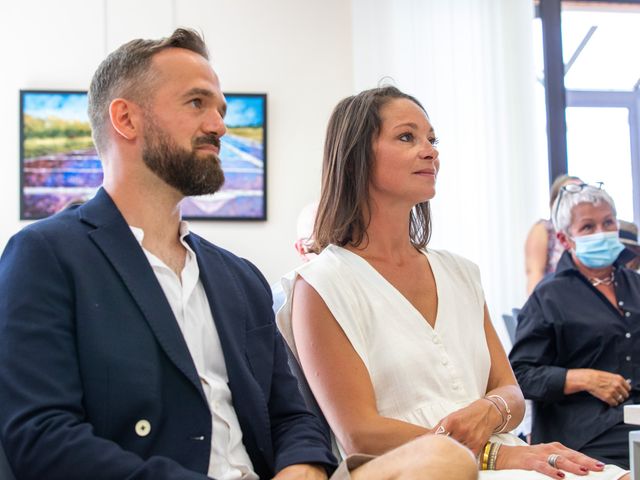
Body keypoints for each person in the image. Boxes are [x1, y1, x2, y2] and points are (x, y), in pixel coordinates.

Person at [0, 29, 478, 480]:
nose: (219, 126)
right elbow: (41, 437)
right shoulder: (47, 256)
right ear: (126, 119)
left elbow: (293, 418)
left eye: (221, 109)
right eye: (196, 104)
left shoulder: (238, 278)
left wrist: (303, 467)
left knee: (444, 458)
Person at [276, 86, 629, 479]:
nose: (430, 151)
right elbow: (360, 433)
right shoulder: (321, 284)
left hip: (511, 457)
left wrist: (491, 410)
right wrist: (494, 456)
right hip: (406, 469)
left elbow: (510, 392)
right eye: (407, 137)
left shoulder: (461, 273)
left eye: (432, 139)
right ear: (356, 157)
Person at [510, 183, 640, 470]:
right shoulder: (548, 297)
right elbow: (520, 376)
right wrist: (584, 379)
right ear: (565, 238)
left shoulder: (636, 285)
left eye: (608, 222)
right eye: (588, 227)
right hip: (585, 432)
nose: (601, 232)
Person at [525, 174, 582, 295]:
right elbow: (535, 273)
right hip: (554, 301)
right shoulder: (544, 229)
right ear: (554, 202)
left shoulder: (590, 232)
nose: (576, 200)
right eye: (569, 194)